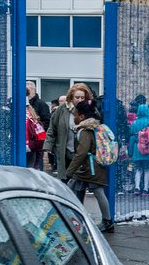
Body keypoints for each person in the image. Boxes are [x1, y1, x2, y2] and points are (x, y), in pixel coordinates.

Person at [65, 99, 114, 233]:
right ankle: (79, 219)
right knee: (77, 189)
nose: (74, 118)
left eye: (75, 115)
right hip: (89, 168)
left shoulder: (85, 131)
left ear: (82, 117)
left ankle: (107, 221)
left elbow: (81, 153)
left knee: (96, 192)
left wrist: (69, 171)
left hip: (90, 169)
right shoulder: (93, 128)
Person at [45, 85, 84, 181]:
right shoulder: (62, 109)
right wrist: (48, 146)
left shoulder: (89, 109)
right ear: (71, 97)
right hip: (65, 150)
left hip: (82, 153)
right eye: (77, 97)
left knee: (79, 181)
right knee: (65, 178)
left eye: (82, 98)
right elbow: (52, 128)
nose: (80, 100)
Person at [130, 102, 149, 193]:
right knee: (147, 168)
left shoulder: (134, 123)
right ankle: (146, 189)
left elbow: (132, 136)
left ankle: (137, 187)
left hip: (137, 148)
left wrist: (130, 151)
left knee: (138, 168)